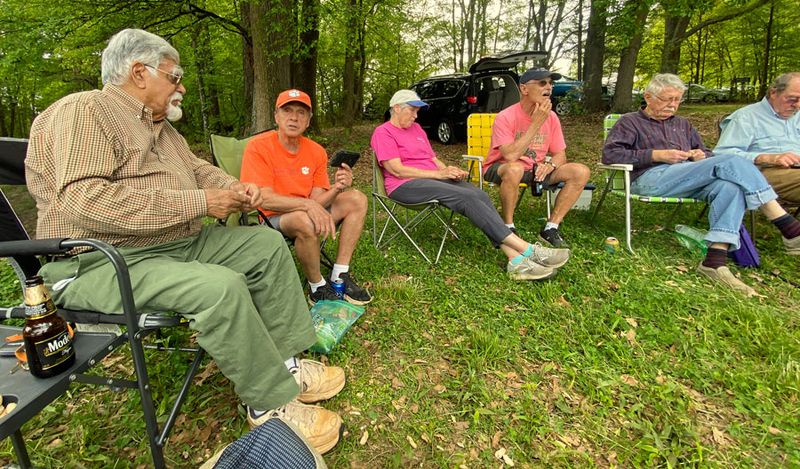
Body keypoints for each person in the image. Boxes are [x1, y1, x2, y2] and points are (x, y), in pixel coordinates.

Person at [24, 29, 345, 454]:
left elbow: (198, 172)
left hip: (171, 243)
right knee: (218, 286)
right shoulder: (87, 111)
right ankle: (269, 404)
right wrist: (199, 203)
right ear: (139, 73)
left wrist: (236, 187)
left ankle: (284, 363)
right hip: (100, 260)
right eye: (174, 76)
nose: (182, 86)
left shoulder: (161, 129)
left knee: (264, 247)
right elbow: (85, 202)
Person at [603, 73, 800, 296]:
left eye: (677, 100)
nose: (673, 105)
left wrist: (700, 155)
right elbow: (611, 154)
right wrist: (656, 154)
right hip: (649, 178)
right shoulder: (630, 122)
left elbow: (708, 152)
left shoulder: (683, 124)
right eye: (667, 99)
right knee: (732, 160)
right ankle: (786, 224)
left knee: (730, 187)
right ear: (648, 97)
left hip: (688, 177)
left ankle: (714, 261)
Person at [370, 89, 570, 280]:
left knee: (479, 195)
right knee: (465, 197)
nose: (416, 115)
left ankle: (515, 259)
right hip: (405, 186)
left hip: (431, 179)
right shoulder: (383, 132)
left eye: (417, 111)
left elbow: (432, 158)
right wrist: (439, 175)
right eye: (412, 110)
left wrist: (448, 170)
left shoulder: (417, 129)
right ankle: (528, 249)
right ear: (396, 108)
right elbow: (396, 170)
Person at [240, 89, 372, 306]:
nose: (294, 117)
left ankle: (339, 275)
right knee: (304, 219)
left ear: (309, 121)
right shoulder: (258, 147)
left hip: (309, 210)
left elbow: (318, 200)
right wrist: (307, 206)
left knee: (357, 198)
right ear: (276, 116)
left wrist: (337, 188)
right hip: (273, 216)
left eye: (301, 113)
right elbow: (263, 199)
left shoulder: (316, 151)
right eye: (287, 111)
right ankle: (317, 286)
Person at [484, 68, 592, 247]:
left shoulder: (552, 117)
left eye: (551, 83)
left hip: (536, 170)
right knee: (515, 168)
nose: (548, 87)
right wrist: (536, 123)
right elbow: (510, 156)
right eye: (542, 83)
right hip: (501, 167)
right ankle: (508, 227)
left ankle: (551, 228)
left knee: (580, 171)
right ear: (524, 89)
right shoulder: (505, 117)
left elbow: (560, 154)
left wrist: (550, 165)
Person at [714, 72, 800, 205]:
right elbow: (721, 154)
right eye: (792, 99)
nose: (798, 105)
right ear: (773, 92)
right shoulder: (746, 117)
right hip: (766, 173)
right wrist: (768, 158)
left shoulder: (798, 116)